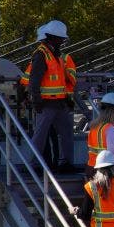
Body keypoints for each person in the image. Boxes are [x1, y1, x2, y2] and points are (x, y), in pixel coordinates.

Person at [27, 19, 78, 173]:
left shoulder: (56, 55)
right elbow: (34, 80)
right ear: (51, 37)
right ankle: (35, 164)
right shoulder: (41, 54)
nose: (62, 41)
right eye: (60, 38)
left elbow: (62, 81)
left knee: (67, 133)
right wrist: (36, 101)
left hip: (60, 103)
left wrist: (68, 99)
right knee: (40, 135)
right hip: (46, 104)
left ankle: (66, 163)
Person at [85, 92, 114, 174]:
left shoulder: (94, 126)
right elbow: (111, 153)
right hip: (105, 170)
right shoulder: (110, 128)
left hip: (91, 168)